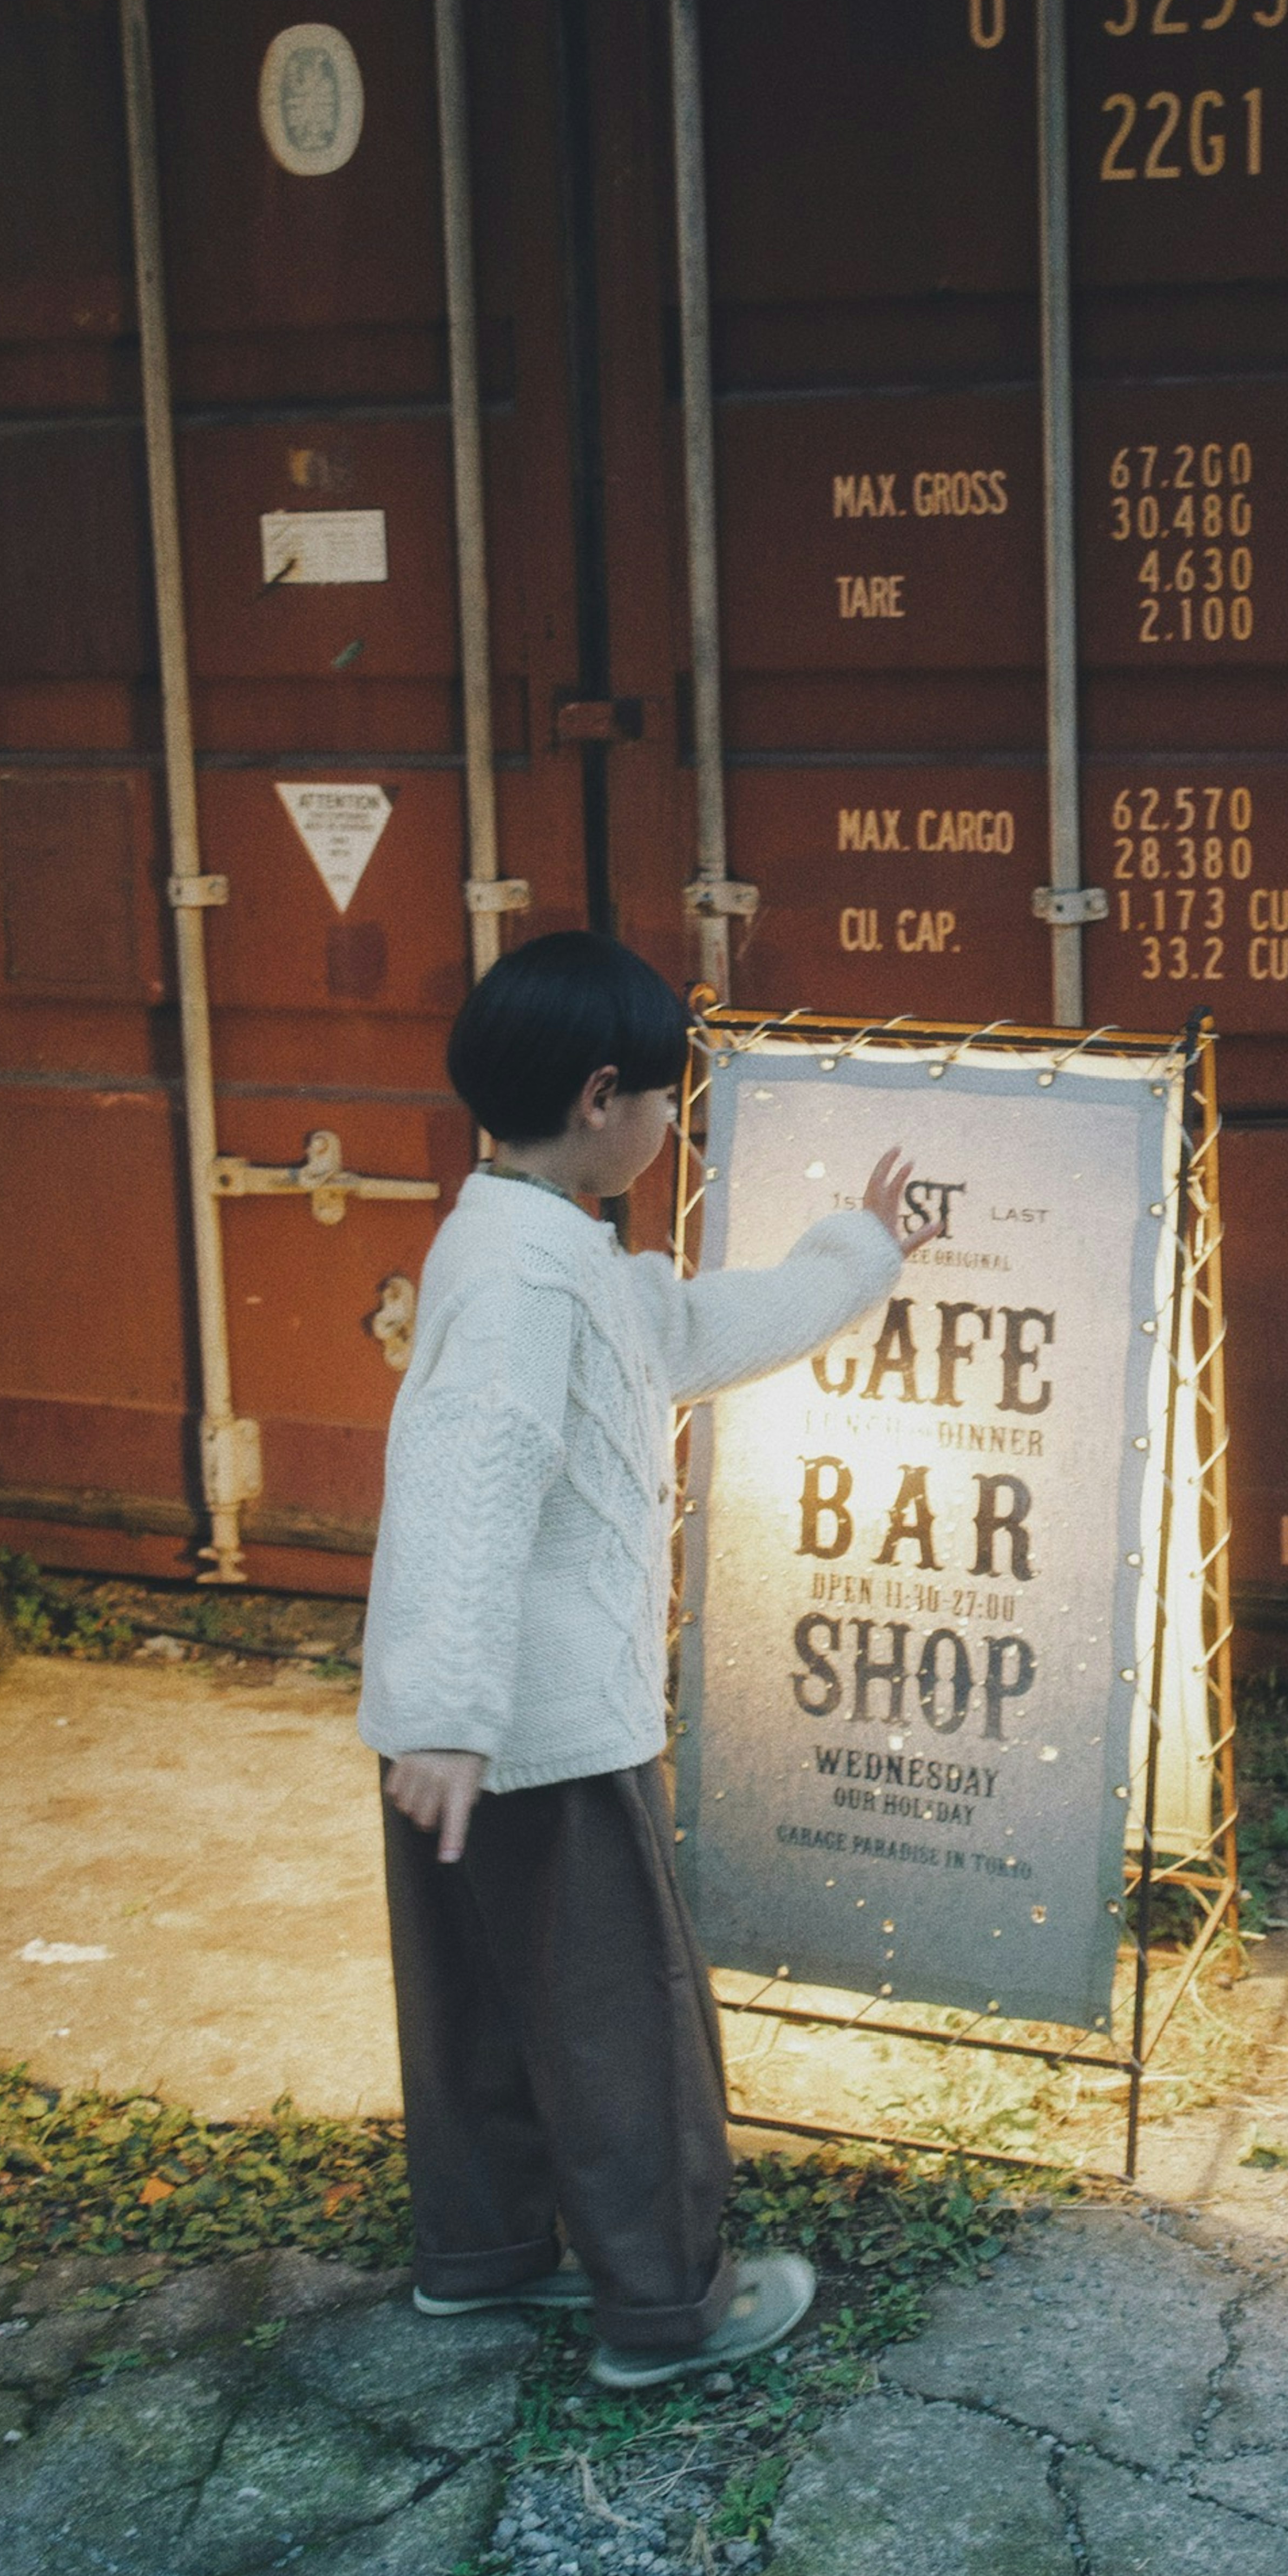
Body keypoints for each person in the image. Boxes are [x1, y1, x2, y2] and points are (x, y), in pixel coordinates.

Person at [358, 930, 934, 2387]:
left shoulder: (524, 1240)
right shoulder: (534, 1280)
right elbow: (467, 1482)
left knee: (479, 2004)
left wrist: (856, 1254)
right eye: (667, 1101)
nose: (675, 1126)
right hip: (537, 1733)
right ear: (602, 1095)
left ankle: (484, 2257)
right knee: (628, 2021)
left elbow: (684, 1330)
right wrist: (453, 1712)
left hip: (467, 1735)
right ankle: (670, 2309)